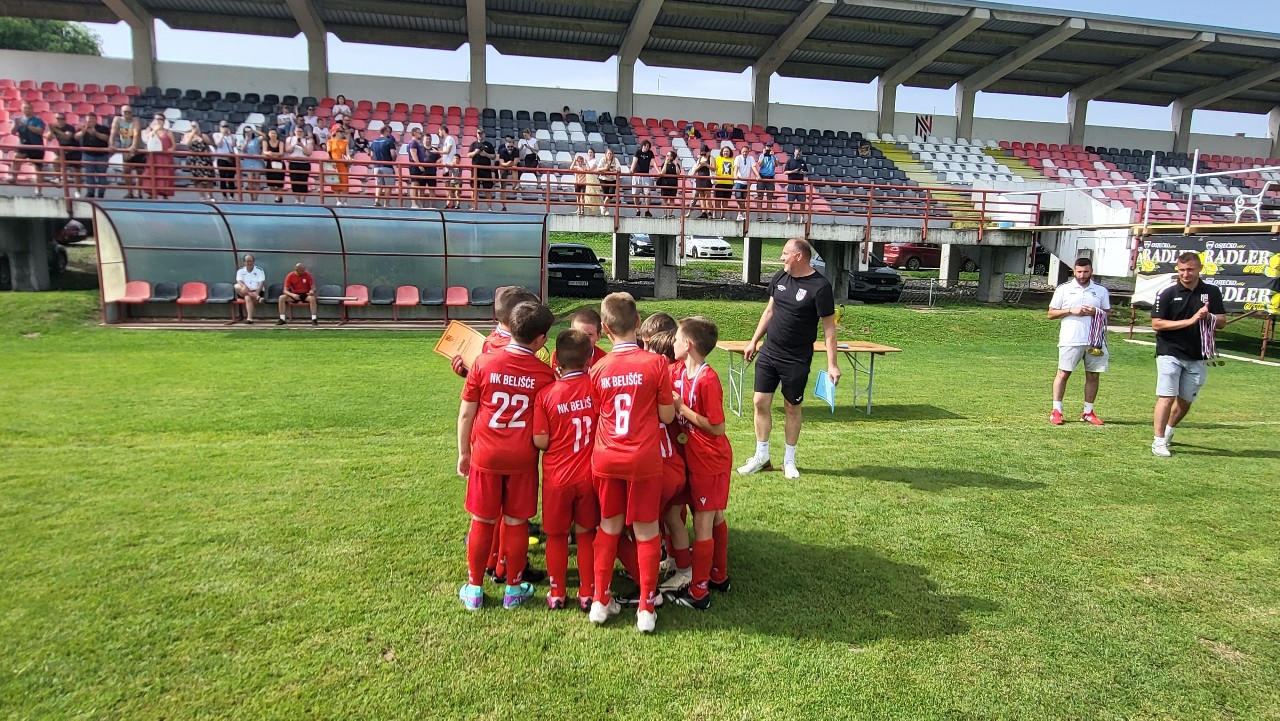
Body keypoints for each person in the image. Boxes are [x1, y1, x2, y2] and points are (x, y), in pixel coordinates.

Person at [457, 301, 558, 611]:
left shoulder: (483, 363)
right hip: (522, 458)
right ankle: (513, 589)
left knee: (482, 520)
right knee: (516, 523)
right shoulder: (544, 374)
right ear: (541, 339)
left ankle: (475, 589)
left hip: (486, 454)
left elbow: (466, 413)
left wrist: (463, 452)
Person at [587, 292, 676, 633]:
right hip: (643, 458)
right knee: (647, 530)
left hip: (607, 456)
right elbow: (666, 416)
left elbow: (599, 412)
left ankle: (600, 601)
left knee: (608, 526)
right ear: (638, 322)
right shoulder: (655, 364)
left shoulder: (598, 368)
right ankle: (646, 608)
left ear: (605, 329)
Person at [738, 238, 841, 479]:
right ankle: (761, 457)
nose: (781, 257)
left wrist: (832, 365)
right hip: (769, 352)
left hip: (796, 358)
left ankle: (789, 460)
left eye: (785, 253)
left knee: (791, 407)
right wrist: (754, 341)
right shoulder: (780, 278)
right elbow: (769, 311)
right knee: (759, 402)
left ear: (799, 256)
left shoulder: (820, 287)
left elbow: (829, 328)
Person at [532, 328, 601, 611]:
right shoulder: (596, 389)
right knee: (586, 534)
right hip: (589, 475)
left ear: (557, 360)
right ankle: (587, 592)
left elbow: (541, 441)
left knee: (557, 535)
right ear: (589, 360)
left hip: (557, 478)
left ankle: (557, 592)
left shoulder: (546, 395)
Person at [669, 316, 734, 609]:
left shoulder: (707, 379)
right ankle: (719, 576)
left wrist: (682, 409)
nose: (672, 343)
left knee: (705, 521)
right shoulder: (681, 371)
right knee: (714, 515)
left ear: (688, 344)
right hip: (694, 456)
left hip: (710, 459)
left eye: (676, 339)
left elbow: (717, 427)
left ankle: (699, 592)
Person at [1150, 252, 1226, 458]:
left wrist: (1209, 317)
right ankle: (1158, 441)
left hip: (1198, 354)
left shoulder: (1211, 292)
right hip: (1170, 351)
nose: (1185, 274)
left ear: (1199, 268)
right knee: (1166, 396)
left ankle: (1169, 429)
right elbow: (1157, 323)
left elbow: (1221, 321)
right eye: (1182, 270)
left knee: (1185, 400)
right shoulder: (1167, 293)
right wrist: (1190, 321)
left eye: (1190, 270)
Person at [1047, 258, 1112, 426]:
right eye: (1079, 272)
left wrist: (1096, 311)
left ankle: (1088, 412)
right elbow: (1051, 314)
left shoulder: (1100, 291)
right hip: (1071, 339)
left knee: (1093, 375)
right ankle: (1056, 411)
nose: (1082, 275)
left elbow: (1108, 314)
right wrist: (1071, 310)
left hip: (1095, 340)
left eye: (1086, 272)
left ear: (1091, 271)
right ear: (1074, 271)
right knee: (1063, 374)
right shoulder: (1064, 289)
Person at [109, 105, 144, 199]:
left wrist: (134, 145)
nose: (127, 114)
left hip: (138, 148)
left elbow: (136, 133)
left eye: (129, 112)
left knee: (139, 172)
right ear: (121, 113)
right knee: (126, 170)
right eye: (125, 112)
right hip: (125, 147)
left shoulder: (135, 120)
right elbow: (113, 132)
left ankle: (138, 192)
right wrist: (111, 144)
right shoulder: (118, 120)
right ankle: (129, 192)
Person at [76, 111, 112, 199]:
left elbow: (106, 138)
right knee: (89, 174)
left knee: (102, 175)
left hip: (102, 155)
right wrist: (84, 131)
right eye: (89, 119)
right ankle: (90, 192)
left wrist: (95, 132)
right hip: (88, 154)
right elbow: (76, 137)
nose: (91, 121)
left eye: (93, 119)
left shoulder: (103, 128)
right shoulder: (82, 128)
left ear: (96, 120)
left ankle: (101, 193)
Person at [44, 112, 79, 198]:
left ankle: (78, 190)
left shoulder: (70, 127)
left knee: (77, 172)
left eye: (61, 119)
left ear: (65, 119)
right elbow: (48, 137)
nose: (59, 120)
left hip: (74, 150)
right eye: (57, 119)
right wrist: (51, 130)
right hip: (63, 150)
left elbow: (67, 136)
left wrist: (55, 130)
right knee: (55, 161)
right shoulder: (55, 127)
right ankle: (58, 178)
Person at [143, 113, 175, 199]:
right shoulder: (149, 130)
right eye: (156, 119)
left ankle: (164, 192)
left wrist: (171, 149)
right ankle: (151, 192)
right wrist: (154, 131)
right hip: (153, 156)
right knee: (152, 172)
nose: (158, 121)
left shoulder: (168, 132)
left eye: (161, 119)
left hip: (164, 157)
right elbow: (147, 139)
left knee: (164, 173)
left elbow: (174, 145)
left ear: (164, 121)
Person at [182, 122, 215, 201]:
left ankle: (210, 195)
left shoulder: (202, 135)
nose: (193, 127)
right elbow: (187, 143)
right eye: (192, 126)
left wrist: (199, 135)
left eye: (195, 126)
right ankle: (202, 196)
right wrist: (192, 134)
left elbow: (208, 142)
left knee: (209, 178)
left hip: (205, 159)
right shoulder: (187, 135)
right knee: (198, 179)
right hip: (194, 160)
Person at [369, 124, 398, 208]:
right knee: (388, 186)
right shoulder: (389, 142)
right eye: (389, 132)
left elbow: (371, 155)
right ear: (386, 132)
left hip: (377, 166)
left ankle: (377, 201)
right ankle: (386, 204)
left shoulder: (374, 142)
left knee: (379, 185)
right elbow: (393, 154)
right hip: (387, 166)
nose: (390, 134)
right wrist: (393, 160)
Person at [468, 129, 497, 211]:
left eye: (481, 133)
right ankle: (474, 207)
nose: (480, 135)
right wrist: (475, 152)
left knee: (487, 189)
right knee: (474, 188)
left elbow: (494, 156)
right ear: (477, 134)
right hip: (475, 169)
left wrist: (486, 154)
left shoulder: (489, 145)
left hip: (486, 169)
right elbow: (468, 155)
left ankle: (489, 207)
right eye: (478, 133)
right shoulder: (473, 144)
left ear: (484, 134)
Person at [285, 125, 314, 203]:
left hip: (304, 163)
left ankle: (303, 200)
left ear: (303, 133)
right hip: (293, 163)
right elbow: (288, 150)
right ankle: (297, 199)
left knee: (304, 182)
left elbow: (308, 153)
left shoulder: (308, 141)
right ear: (294, 132)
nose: (299, 133)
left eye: (301, 132)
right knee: (294, 181)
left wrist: (302, 145)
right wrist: (295, 144)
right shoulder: (290, 139)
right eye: (298, 131)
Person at [234, 254, 266, 324]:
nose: (249, 263)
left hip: (257, 291)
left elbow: (261, 283)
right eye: (247, 261)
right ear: (244, 262)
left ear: (253, 262)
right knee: (236, 286)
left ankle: (249, 319)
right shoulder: (240, 271)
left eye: (251, 261)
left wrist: (257, 293)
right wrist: (244, 287)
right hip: (244, 290)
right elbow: (239, 281)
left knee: (247, 297)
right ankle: (257, 297)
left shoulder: (259, 270)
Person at [211, 121, 238, 201]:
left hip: (230, 158)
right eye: (223, 126)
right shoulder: (216, 135)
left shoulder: (232, 136)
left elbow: (233, 145)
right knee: (223, 177)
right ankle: (224, 195)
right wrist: (222, 135)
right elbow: (218, 144)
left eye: (226, 126)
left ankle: (232, 196)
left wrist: (230, 135)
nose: (225, 128)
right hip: (221, 158)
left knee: (231, 178)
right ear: (220, 127)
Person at [406, 127, 431, 209]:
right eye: (419, 132)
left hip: (416, 165)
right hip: (415, 166)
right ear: (414, 133)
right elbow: (414, 155)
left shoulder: (416, 143)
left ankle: (415, 203)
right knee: (414, 184)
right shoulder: (413, 143)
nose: (421, 134)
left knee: (417, 184)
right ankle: (413, 203)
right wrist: (419, 165)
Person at [237, 125, 264, 202]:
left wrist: (254, 131)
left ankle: (256, 198)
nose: (248, 133)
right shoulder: (242, 140)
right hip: (248, 161)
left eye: (249, 131)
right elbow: (243, 150)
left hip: (257, 160)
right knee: (250, 180)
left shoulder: (257, 139)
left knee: (257, 180)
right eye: (246, 131)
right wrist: (246, 140)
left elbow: (264, 136)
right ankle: (252, 198)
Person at [630, 139, 656, 217]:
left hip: (645, 175)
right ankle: (638, 210)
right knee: (635, 194)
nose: (646, 147)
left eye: (648, 146)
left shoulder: (650, 153)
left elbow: (654, 162)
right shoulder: (638, 152)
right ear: (642, 146)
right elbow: (634, 161)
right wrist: (631, 169)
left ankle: (647, 210)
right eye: (645, 146)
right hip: (637, 174)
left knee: (647, 193)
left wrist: (658, 171)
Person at [326, 126, 351, 206]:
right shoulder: (330, 142)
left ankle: (345, 201)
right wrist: (329, 156)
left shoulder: (345, 142)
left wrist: (348, 158)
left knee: (344, 182)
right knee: (335, 182)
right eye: (340, 131)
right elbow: (328, 154)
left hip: (343, 164)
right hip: (334, 165)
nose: (342, 133)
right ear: (335, 132)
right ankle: (338, 201)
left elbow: (347, 153)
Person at [262, 127, 287, 203]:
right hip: (270, 164)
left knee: (280, 184)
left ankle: (278, 198)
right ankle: (278, 196)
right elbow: (264, 151)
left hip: (280, 164)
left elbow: (281, 153)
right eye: (271, 133)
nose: (273, 135)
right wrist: (269, 154)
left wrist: (272, 154)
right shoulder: (265, 141)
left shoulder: (281, 142)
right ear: (268, 134)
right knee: (271, 185)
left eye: (275, 133)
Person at [732, 145, 756, 221]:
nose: (744, 153)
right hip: (738, 181)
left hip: (746, 182)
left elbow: (754, 167)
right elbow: (736, 167)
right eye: (743, 152)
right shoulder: (738, 158)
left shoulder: (751, 158)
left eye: (746, 152)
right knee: (738, 197)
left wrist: (757, 176)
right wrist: (735, 175)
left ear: (748, 152)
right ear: (741, 152)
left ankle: (740, 214)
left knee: (743, 199)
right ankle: (744, 210)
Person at [784, 147, 809, 222]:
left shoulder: (803, 162)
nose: (797, 155)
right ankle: (789, 217)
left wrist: (802, 172)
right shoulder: (789, 161)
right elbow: (785, 172)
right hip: (791, 184)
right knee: (790, 202)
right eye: (796, 153)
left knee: (802, 202)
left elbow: (806, 171)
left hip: (800, 184)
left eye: (799, 154)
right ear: (794, 152)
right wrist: (793, 171)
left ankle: (802, 218)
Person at [755, 143, 777, 220]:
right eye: (768, 147)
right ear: (765, 147)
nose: (769, 148)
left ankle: (768, 216)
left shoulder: (775, 156)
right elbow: (760, 165)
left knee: (770, 197)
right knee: (760, 196)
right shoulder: (762, 155)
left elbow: (776, 165)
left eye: (770, 147)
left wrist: (773, 156)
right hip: (762, 177)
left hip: (770, 178)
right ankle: (759, 215)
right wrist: (764, 155)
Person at [497, 135, 520, 210]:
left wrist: (509, 164)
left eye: (511, 147)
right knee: (502, 188)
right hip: (503, 168)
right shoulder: (502, 151)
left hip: (512, 167)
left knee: (515, 168)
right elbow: (502, 163)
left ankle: (515, 186)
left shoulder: (516, 151)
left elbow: (515, 162)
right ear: (506, 146)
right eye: (508, 147)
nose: (510, 148)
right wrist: (508, 164)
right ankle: (504, 206)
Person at [596, 148, 621, 216]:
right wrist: (605, 168)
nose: (609, 155)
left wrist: (614, 170)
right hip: (604, 179)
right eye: (608, 153)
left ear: (612, 154)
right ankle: (607, 210)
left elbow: (619, 169)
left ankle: (603, 206)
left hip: (612, 179)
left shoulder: (615, 160)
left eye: (611, 154)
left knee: (611, 194)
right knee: (606, 194)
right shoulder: (602, 160)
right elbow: (598, 169)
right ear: (606, 154)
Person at [713, 146, 735, 220]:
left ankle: (723, 215)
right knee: (717, 200)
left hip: (729, 183)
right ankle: (715, 214)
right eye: (724, 151)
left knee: (725, 200)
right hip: (719, 182)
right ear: (722, 152)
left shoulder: (733, 160)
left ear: (730, 152)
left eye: (727, 151)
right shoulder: (718, 159)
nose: (726, 153)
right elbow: (714, 169)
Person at [656, 150, 680, 218]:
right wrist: (666, 164)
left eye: (668, 155)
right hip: (665, 183)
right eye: (667, 155)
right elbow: (662, 173)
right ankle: (665, 214)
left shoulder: (676, 164)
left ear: (672, 157)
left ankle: (670, 214)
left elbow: (678, 173)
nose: (666, 157)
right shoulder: (664, 164)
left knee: (672, 199)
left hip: (673, 184)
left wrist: (676, 165)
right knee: (665, 199)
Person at [690, 147, 712, 218]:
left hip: (707, 178)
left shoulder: (711, 158)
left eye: (704, 153)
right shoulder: (699, 159)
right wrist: (700, 165)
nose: (703, 155)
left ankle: (709, 212)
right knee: (701, 196)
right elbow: (695, 169)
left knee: (707, 196)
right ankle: (703, 212)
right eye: (702, 153)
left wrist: (706, 165)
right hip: (699, 179)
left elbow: (714, 168)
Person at [583, 149, 601, 214]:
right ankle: (588, 210)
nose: (590, 154)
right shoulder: (588, 161)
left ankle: (597, 209)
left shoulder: (595, 161)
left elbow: (590, 169)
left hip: (593, 178)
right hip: (588, 178)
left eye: (591, 152)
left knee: (595, 193)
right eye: (589, 152)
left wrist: (586, 164)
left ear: (593, 153)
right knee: (588, 194)